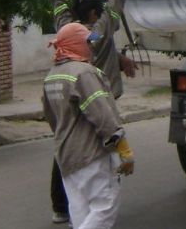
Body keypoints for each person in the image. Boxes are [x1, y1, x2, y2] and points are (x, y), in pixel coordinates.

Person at [33, 0, 135, 224]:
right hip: (96, 124)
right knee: (104, 201)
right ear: (93, 15)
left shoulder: (65, 35)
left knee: (78, 191)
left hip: (66, 129)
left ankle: (60, 207)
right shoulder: (94, 40)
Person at [41, 22, 134, 229]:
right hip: (90, 154)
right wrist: (123, 147)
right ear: (75, 44)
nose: (91, 47)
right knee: (105, 205)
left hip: (65, 156)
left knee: (80, 211)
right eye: (87, 43)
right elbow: (102, 114)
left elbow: (51, 118)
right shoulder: (84, 73)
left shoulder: (51, 76)